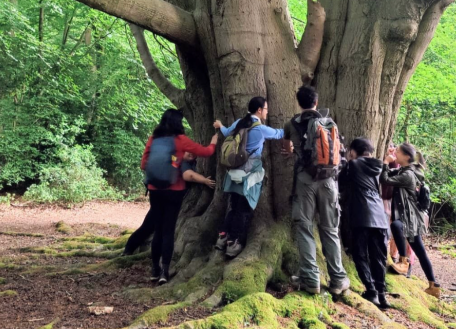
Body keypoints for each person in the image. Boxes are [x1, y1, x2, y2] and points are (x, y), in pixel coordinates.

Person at [283, 86, 350, 296]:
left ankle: (310, 279)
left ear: (299, 102)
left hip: (305, 180)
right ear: (316, 102)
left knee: (305, 228)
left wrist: (294, 149)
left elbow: (287, 148)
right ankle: (338, 279)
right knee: (330, 229)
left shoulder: (292, 123)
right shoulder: (329, 122)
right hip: (329, 181)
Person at [138, 109, 217, 285]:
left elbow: (144, 165)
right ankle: (165, 271)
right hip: (174, 191)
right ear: (178, 123)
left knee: (158, 229)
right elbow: (205, 152)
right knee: (168, 231)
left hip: (155, 190)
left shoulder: (154, 139)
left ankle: (154, 269)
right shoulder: (181, 140)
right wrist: (213, 142)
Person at [213, 96, 283, 258]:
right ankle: (234, 243)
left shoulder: (240, 122)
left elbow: (227, 132)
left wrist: (220, 125)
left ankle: (222, 237)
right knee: (243, 209)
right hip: (248, 174)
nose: (267, 111)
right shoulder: (260, 128)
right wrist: (294, 127)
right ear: (259, 110)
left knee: (234, 206)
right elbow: (279, 134)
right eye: (266, 109)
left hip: (233, 172)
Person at [382, 142, 441, 298]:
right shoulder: (408, 170)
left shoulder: (408, 175)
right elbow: (394, 173)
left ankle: (404, 261)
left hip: (410, 218)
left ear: (407, 157)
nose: (397, 155)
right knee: (421, 252)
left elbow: (385, 179)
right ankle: (433, 285)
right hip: (411, 218)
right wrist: (391, 157)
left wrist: (386, 162)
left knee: (395, 225)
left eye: (399, 153)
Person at [341, 137, 390, 308]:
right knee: (378, 258)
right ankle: (382, 295)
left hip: (362, 215)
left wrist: (345, 162)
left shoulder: (354, 165)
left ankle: (371, 290)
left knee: (360, 254)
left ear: (354, 151)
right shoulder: (377, 167)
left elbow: (341, 183)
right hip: (380, 218)